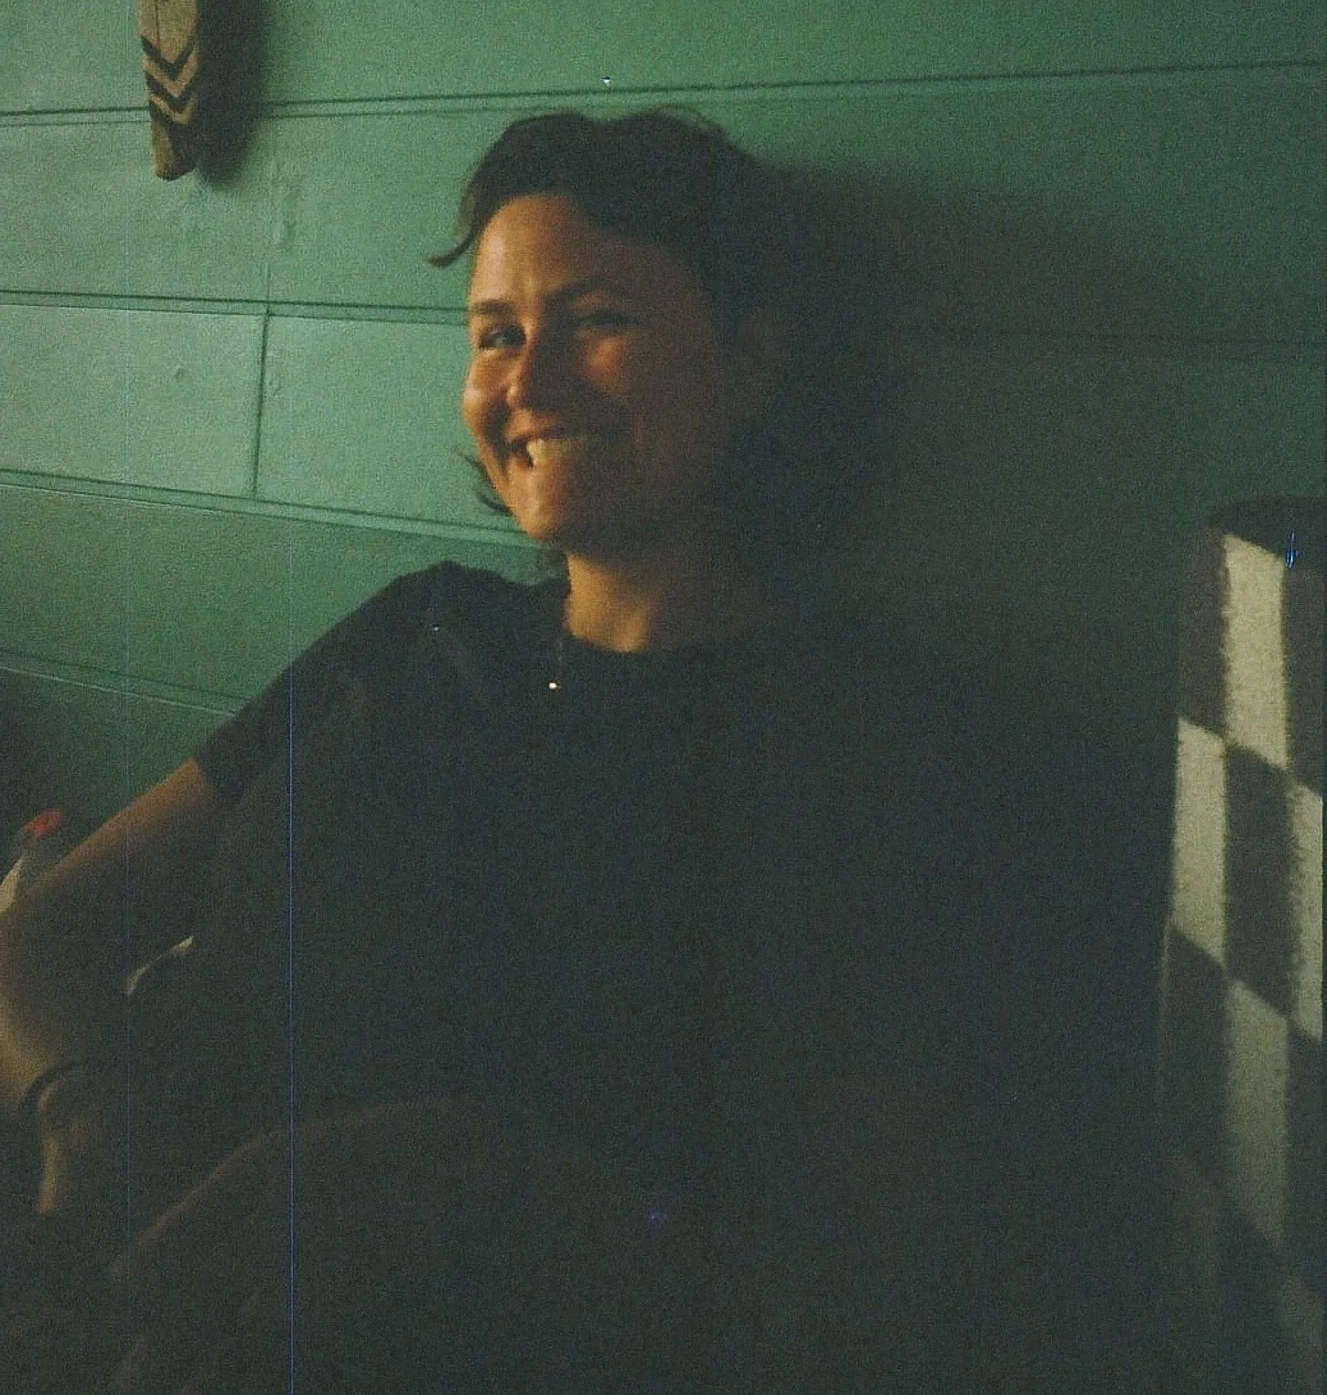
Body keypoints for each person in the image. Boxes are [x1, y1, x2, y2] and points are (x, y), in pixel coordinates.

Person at [0, 110, 1031, 1392]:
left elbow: (870, 1306)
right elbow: (53, 922)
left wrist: (491, 1183)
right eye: (495, 335)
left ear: (752, 361)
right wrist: (84, 1125)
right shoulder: (420, 631)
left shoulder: (866, 743)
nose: (526, 384)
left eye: (597, 318)